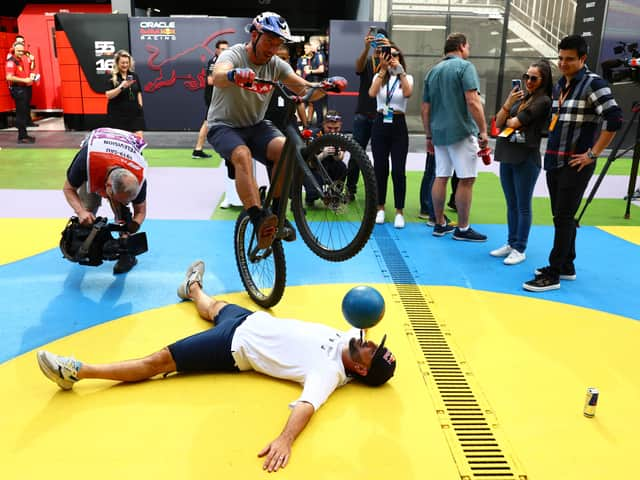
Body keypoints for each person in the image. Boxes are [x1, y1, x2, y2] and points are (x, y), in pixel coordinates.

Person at [36, 260, 396, 472]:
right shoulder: (352, 336)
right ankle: (192, 288)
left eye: (370, 350)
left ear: (361, 370)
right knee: (211, 306)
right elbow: (364, 319)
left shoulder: (328, 374)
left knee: (157, 361)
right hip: (249, 320)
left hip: (233, 347)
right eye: (372, 341)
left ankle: (76, 372)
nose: (367, 341)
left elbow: (306, 406)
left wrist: (285, 441)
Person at [207, 11, 328, 250]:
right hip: (224, 126)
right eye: (269, 42)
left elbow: (304, 89)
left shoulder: (276, 65)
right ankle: (257, 218)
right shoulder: (235, 54)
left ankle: (275, 213)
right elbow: (217, 76)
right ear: (254, 35)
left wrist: (326, 86)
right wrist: (232, 74)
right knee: (242, 155)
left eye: (277, 44)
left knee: (285, 149)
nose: (273, 48)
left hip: (255, 125)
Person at [523, 35, 622, 291]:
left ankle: (553, 273)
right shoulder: (559, 86)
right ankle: (567, 265)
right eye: (561, 58)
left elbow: (614, 119)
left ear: (583, 59)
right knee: (561, 216)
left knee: (564, 217)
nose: (563, 63)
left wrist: (593, 154)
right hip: (555, 160)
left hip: (577, 163)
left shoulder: (593, 84)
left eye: (569, 59)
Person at [422, 32, 489, 242]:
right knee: (467, 179)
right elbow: (473, 101)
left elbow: (425, 108)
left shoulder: (433, 71)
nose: (468, 50)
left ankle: (439, 223)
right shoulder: (465, 67)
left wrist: (429, 137)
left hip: (439, 133)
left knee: (441, 176)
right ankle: (463, 227)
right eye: (468, 46)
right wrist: (484, 130)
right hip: (461, 131)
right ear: (461, 47)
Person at [491, 60, 553, 266]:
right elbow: (498, 122)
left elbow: (515, 122)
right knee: (511, 203)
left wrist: (509, 116)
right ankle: (511, 243)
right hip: (508, 153)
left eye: (534, 78)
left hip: (526, 157)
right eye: (527, 76)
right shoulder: (520, 97)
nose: (528, 81)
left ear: (543, 80)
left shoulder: (543, 101)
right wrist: (508, 103)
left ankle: (520, 248)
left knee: (523, 205)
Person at [62, 128, 148, 274]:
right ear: (107, 187)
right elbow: (68, 188)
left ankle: (126, 253)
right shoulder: (85, 162)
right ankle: (86, 240)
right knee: (87, 207)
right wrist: (81, 212)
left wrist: (132, 225)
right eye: (118, 198)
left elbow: (140, 211)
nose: (126, 203)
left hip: (123, 151)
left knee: (124, 213)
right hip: (98, 153)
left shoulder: (139, 179)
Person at [368, 42, 413, 228]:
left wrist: (400, 71)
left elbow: (408, 93)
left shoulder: (407, 77)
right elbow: (372, 93)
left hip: (398, 123)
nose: (392, 57)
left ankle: (399, 211)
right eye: (388, 54)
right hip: (380, 123)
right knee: (380, 168)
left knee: (398, 170)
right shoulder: (380, 77)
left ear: (401, 58)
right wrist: (382, 70)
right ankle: (380, 208)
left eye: (395, 55)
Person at [349, 27, 389, 202]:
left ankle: (378, 193)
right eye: (375, 41)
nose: (378, 45)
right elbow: (357, 68)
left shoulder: (391, 63)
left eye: (382, 41)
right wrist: (365, 48)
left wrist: (389, 54)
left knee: (381, 156)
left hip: (383, 115)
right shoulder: (368, 60)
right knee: (356, 153)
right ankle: (350, 189)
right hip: (363, 114)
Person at [192, 39, 228, 159]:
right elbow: (210, 81)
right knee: (208, 122)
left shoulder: (225, 62)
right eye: (223, 49)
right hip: (212, 97)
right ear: (217, 50)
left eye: (227, 49)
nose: (225, 51)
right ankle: (198, 149)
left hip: (221, 97)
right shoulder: (214, 62)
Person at [304, 110, 348, 207]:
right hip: (313, 168)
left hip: (330, 166)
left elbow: (340, 157)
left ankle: (335, 195)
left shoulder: (341, 136)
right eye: (329, 128)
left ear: (340, 125)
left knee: (342, 167)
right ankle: (310, 197)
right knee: (313, 194)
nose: (333, 131)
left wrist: (336, 155)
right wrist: (323, 154)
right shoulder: (315, 135)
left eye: (336, 128)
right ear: (323, 124)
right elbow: (308, 163)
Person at [105, 50, 145, 136]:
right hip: (118, 116)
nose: (125, 65)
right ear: (117, 63)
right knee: (120, 144)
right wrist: (121, 86)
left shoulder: (134, 76)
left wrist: (140, 107)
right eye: (122, 63)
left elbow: (138, 92)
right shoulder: (112, 77)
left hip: (134, 114)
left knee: (138, 141)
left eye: (127, 62)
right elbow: (108, 95)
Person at [5, 41, 35, 144]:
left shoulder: (20, 60)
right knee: (20, 113)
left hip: (24, 88)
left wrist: (29, 78)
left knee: (24, 112)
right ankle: (21, 137)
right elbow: (9, 77)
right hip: (18, 89)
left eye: (22, 51)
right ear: (14, 50)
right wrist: (24, 80)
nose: (21, 52)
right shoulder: (11, 61)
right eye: (19, 51)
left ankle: (24, 134)